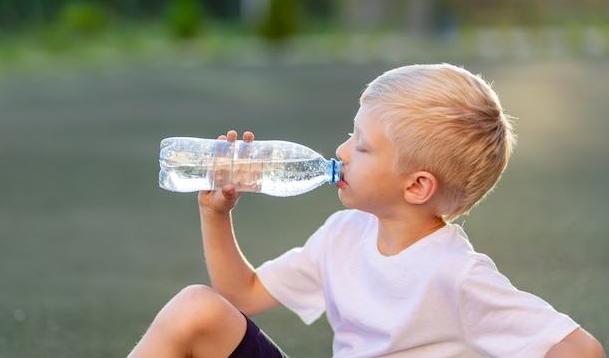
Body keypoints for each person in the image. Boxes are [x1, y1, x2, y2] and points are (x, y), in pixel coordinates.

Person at [128, 63, 605, 358]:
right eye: (351, 134)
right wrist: (216, 215)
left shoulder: (458, 276)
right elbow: (244, 295)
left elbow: (581, 350)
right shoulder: (344, 234)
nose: (342, 150)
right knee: (197, 309)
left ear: (416, 186)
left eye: (363, 145)